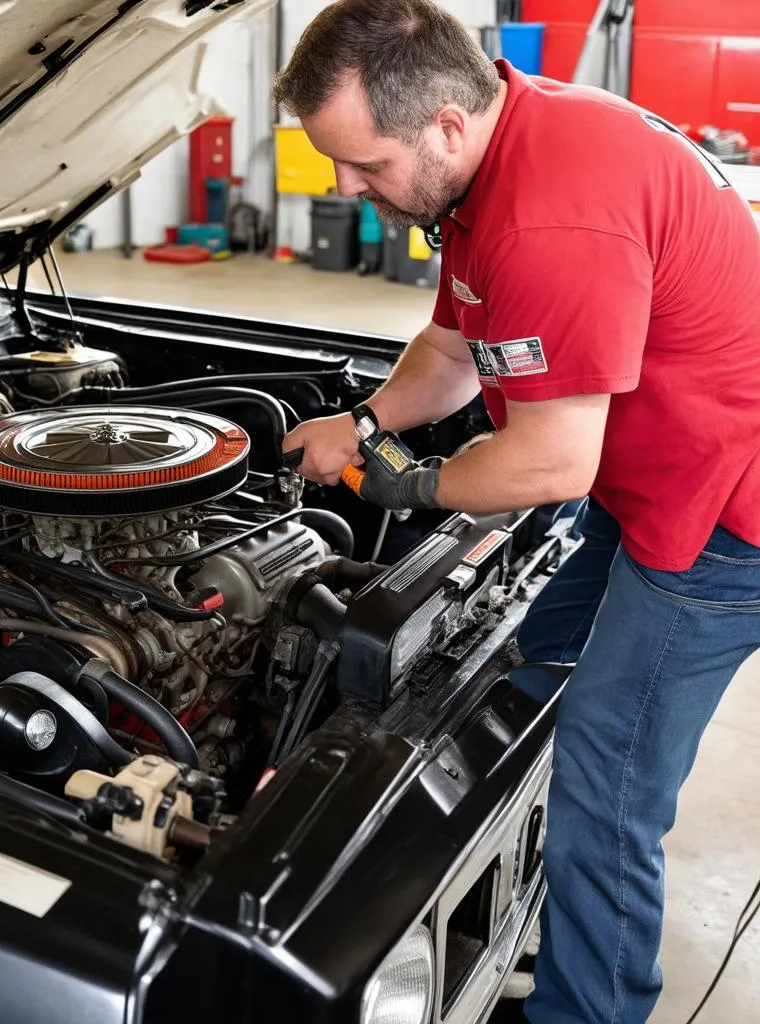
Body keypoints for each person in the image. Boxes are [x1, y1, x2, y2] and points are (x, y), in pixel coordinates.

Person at [273, 2, 760, 1022]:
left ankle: (589, 1006)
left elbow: (546, 464)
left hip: (722, 515)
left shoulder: (548, 214)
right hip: (655, 477)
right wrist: (360, 424)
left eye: (361, 165)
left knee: (608, 786)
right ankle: (513, 893)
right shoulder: (502, 149)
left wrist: (401, 485)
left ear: (444, 125)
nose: (344, 190)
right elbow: (453, 351)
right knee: (519, 665)